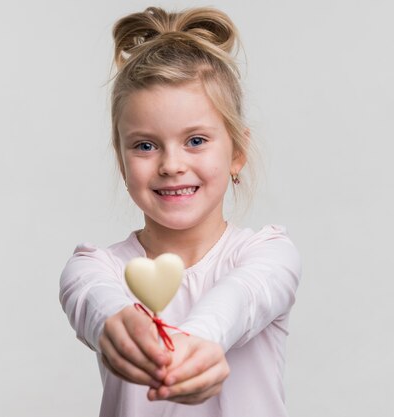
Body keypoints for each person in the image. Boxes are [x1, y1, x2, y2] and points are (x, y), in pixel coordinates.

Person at [59, 6, 301, 417]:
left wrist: (196, 340)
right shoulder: (94, 269)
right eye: (145, 145)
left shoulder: (270, 254)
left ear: (237, 152)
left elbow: (242, 298)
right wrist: (118, 326)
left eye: (195, 140)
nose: (171, 164)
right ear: (122, 161)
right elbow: (93, 302)